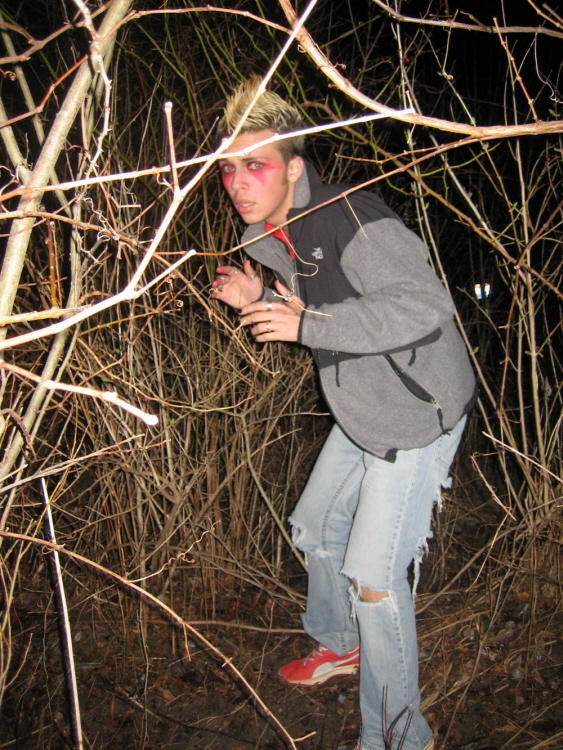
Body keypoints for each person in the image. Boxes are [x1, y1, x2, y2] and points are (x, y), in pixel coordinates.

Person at [210, 76, 476, 750]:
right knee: (314, 526)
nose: (237, 182)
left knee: (374, 579)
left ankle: (398, 735)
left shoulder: (351, 218)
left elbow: (423, 305)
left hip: (414, 409)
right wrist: (257, 301)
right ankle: (342, 644)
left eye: (255, 165)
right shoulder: (272, 234)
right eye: (228, 168)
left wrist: (307, 324)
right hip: (362, 404)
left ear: (294, 168)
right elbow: (319, 309)